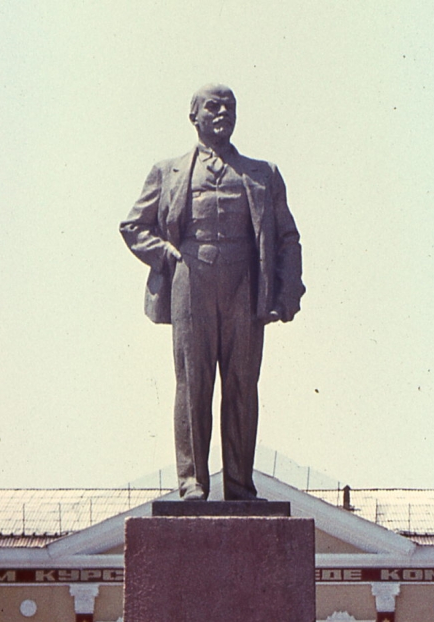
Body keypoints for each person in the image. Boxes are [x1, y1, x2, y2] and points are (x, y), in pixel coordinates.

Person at [120, 84, 305, 502]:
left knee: (242, 383)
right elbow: (133, 226)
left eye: (230, 107)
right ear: (194, 116)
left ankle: (240, 485)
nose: (223, 113)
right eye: (213, 106)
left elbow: (287, 238)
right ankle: (192, 481)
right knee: (193, 383)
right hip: (191, 280)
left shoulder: (263, 174)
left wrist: (287, 291)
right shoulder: (166, 171)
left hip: (244, 284)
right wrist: (165, 254)